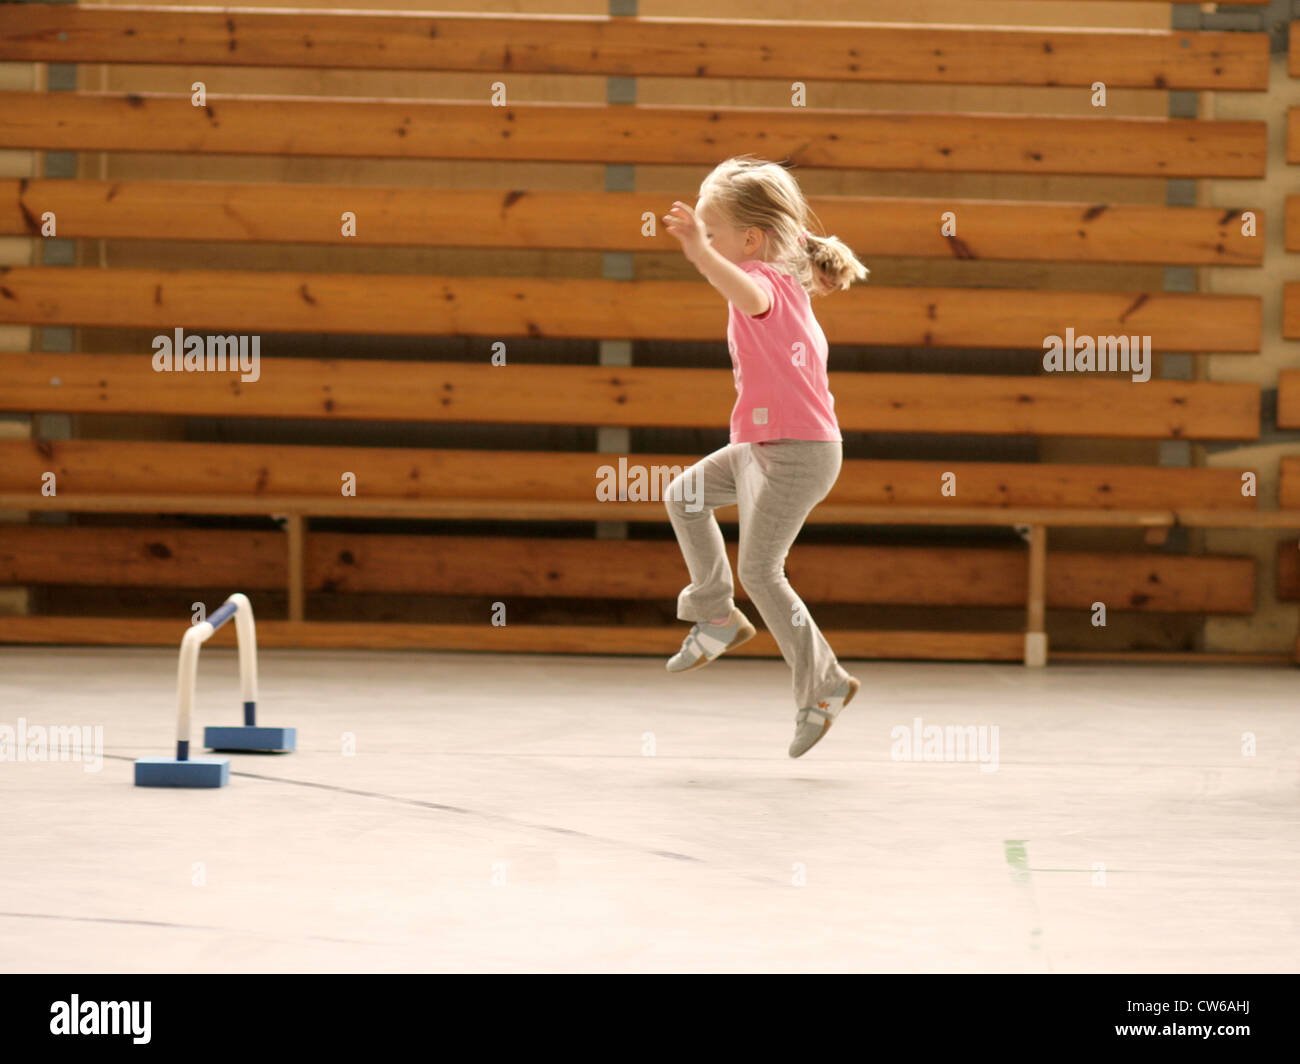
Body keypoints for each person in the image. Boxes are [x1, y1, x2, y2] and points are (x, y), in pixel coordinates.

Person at [661, 155, 871, 758]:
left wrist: (701, 254)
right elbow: (794, 244)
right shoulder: (788, 271)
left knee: (761, 570)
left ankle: (825, 683)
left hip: (799, 452)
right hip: (764, 444)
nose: (710, 243)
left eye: (716, 232)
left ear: (749, 241)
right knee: (686, 495)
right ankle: (717, 615)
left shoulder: (766, 290)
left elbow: (743, 288)